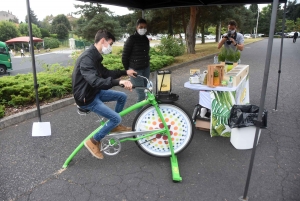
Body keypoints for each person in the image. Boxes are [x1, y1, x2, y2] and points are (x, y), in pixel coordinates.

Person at [72, 29, 137, 159]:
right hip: (87, 98)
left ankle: (115, 127)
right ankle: (93, 141)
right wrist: (119, 82)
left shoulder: (94, 56)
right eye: (111, 43)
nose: (111, 47)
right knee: (116, 117)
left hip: (93, 91)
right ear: (103, 41)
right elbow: (95, 81)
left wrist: (125, 72)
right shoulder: (87, 58)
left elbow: (106, 73)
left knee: (122, 96)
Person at [122, 18, 150, 112]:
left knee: (146, 91)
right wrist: (127, 70)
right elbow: (124, 57)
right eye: (141, 27)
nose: (143, 29)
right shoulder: (131, 39)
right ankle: (139, 116)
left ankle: (145, 112)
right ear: (136, 27)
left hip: (145, 69)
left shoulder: (146, 39)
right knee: (141, 94)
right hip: (135, 70)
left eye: (145, 27)